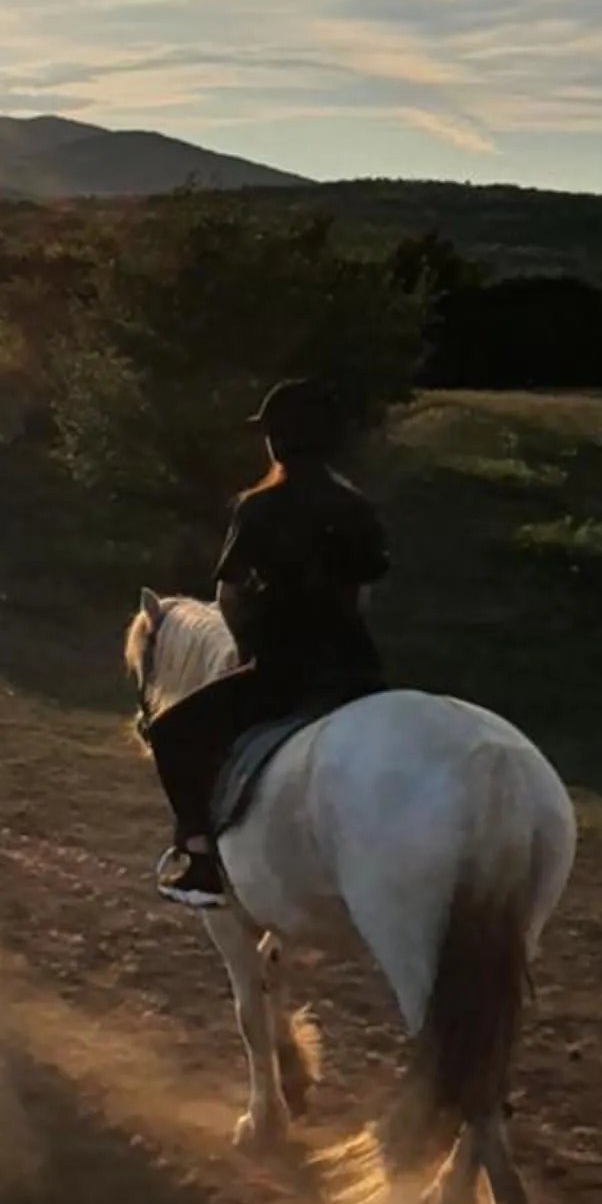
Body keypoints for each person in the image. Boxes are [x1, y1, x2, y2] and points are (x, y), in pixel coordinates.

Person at [146, 379, 391, 908]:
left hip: (283, 672)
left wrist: (246, 650)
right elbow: (363, 593)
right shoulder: (357, 508)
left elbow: (230, 593)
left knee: (169, 732)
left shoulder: (258, 507)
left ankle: (200, 859)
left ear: (275, 441)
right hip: (359, 672)